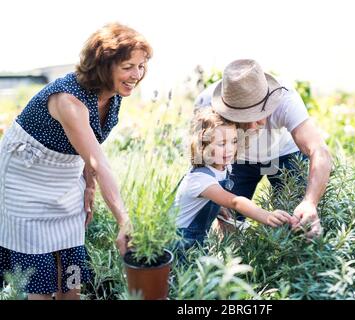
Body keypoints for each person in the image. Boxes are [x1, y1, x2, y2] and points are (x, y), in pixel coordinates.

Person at [0, 22, 152, 300]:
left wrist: (89, 186)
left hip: (66, 174)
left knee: (72, 276)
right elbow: (99, 161)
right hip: (27, 177)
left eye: (141, 66)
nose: (137, 75)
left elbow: (89, 148)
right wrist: (124, 220)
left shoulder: (113, 94)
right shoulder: (68, 100)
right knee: (43, 281)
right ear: (104, 65)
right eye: (128, 66)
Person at [195, 59, 332, 240]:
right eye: (243, 118)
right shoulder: (207, 105)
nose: (253, 126)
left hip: (281, 155)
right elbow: (199, 157)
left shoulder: (285, 99)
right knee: (229, 220)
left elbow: (319, 151)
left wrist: (309, 202)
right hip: (238, 160)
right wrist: (216, 196)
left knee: (297, 221)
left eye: (259, 114)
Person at [173, 108, 293, 250]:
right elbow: (234, 201)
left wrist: (217, 208)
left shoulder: (223, 168)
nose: (229, 149)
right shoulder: (200, 179)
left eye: (234, 141)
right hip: (181, 241)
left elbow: (205, 200)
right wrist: (266, 216)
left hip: (197, 240)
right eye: (221, 144)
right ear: (203, 145)